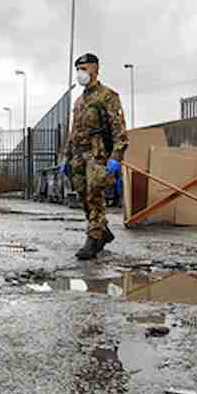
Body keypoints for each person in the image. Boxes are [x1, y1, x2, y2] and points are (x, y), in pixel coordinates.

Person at [60, 52, 129, 260]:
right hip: (78, 155)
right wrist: (66, 156)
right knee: (82, 195)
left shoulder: (107, 96)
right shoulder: (79, 101)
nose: (81, 73)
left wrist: (116, 156)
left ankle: (94, 238)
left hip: (97, 154)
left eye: (85, 69)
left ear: (96, 70)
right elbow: (73, 132)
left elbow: (119, 130)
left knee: (94, 195)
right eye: (78, 70)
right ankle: (103, 230)